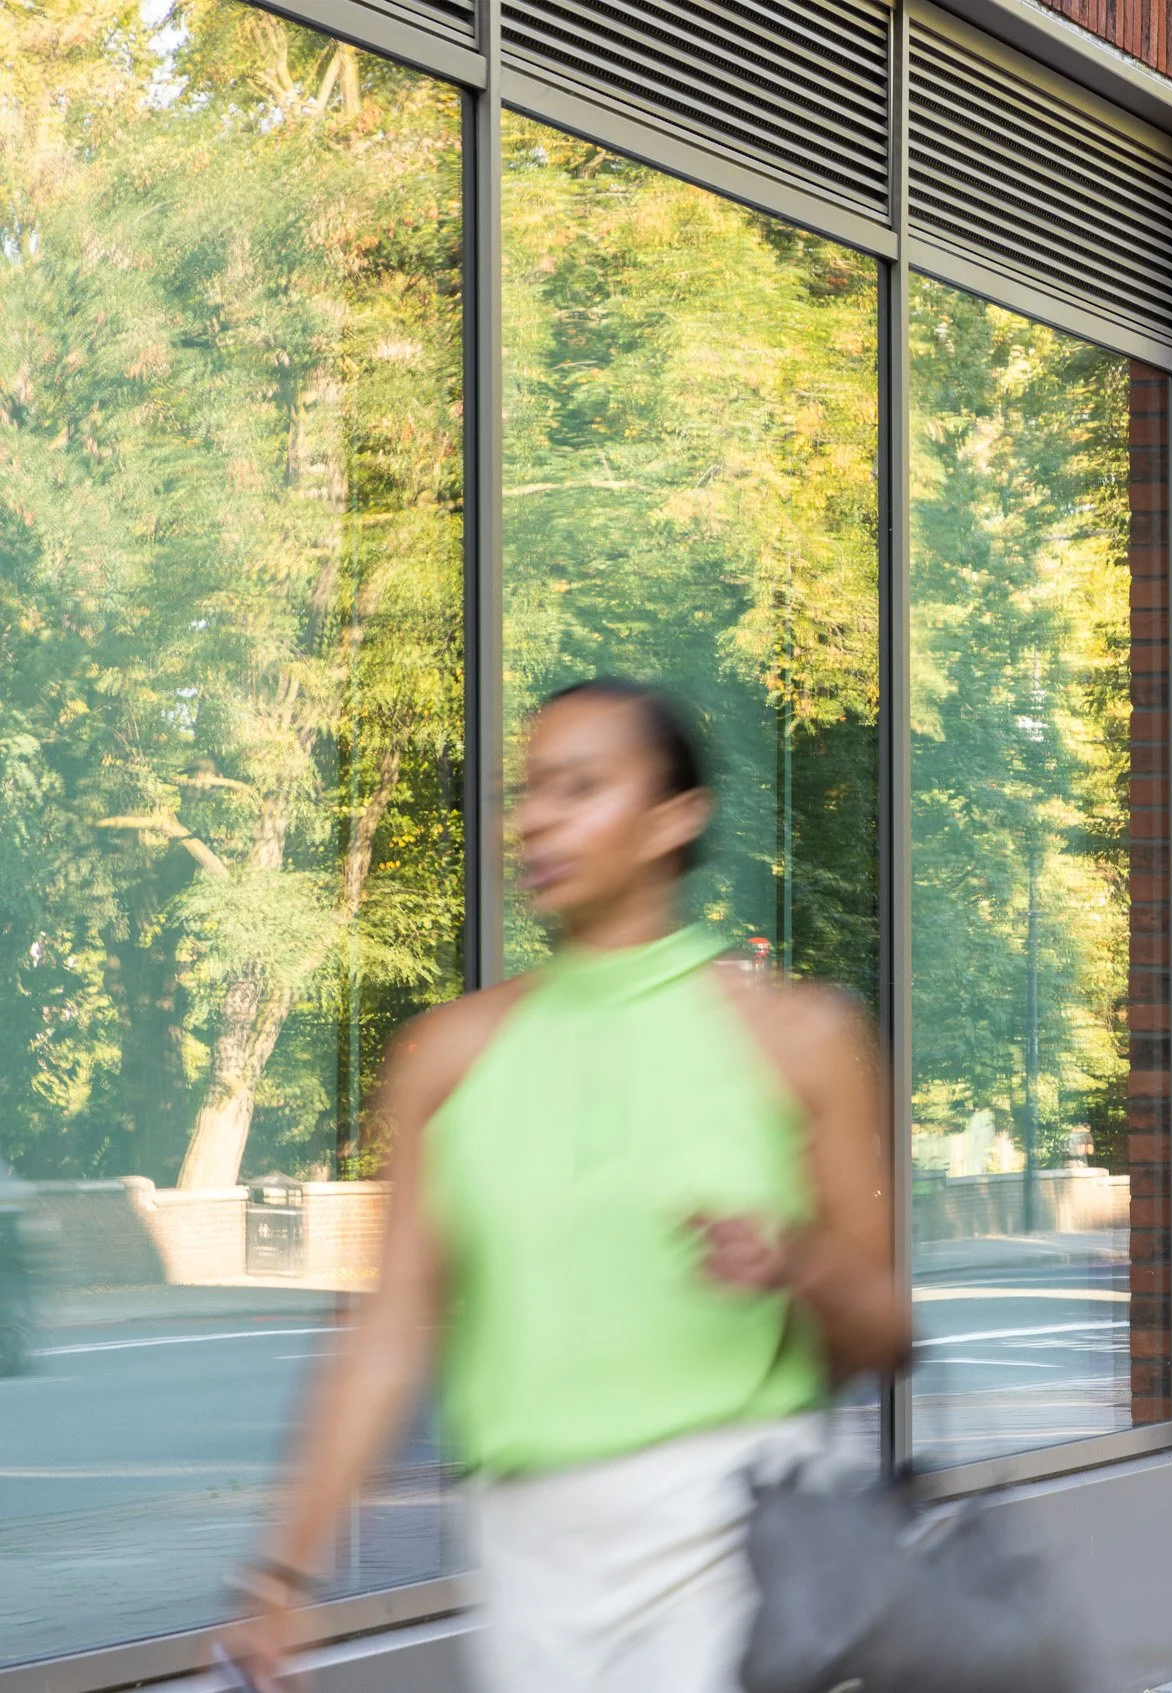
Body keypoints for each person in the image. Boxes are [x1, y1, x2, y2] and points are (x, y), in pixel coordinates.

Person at [221, 679, 912, 1693]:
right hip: (531, 1552)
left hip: (735, 1527)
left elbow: (886, 1331)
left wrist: (794, 1260)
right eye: (528, 789)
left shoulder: (798, 1039)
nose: (536, 816)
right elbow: (387, 1328)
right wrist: (284, 1572)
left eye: (580, 786)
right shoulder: (446, 1057)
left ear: (676, 817)